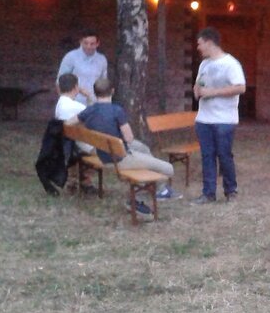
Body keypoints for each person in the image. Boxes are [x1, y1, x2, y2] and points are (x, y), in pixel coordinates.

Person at [69, 78, 180, 214]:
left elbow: (69, 122)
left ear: (95, 92)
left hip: (104, 155)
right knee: (169, 169)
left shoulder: (89, 111)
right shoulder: (117, 110)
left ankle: (155, 187)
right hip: (121, 159)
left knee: (143, 148)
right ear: (113, 91)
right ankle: (137, 198)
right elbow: (129, 138)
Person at [191, 27, 246, 204]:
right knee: (207, 156)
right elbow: (198, 85)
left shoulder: (230, 64)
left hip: (224, 119)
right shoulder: (204, 64)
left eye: (199, 43)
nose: (198, 47)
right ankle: (208, 193)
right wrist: (197, 91)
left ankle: (231, 191)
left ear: (208, 42)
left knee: (224, 155)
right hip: (204, 119)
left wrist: (212, 92)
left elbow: (240, 87)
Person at [56, 31, 108, 105]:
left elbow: (103, 84)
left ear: (97, 44)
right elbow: (59, 81)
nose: (88, 46)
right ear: (80, 42)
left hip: (94, 104)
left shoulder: (102, 60)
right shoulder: (71, 57)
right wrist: (64, 102)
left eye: (92, 44)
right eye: (85, 43)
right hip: (73, 104)